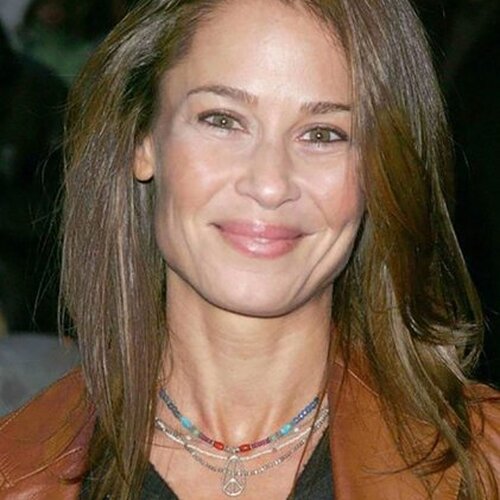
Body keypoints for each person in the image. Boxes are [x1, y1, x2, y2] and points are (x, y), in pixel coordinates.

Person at [0, 0, 499, 498]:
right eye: (223, 120)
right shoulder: (18, 473)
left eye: (323, 134)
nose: (269, 184)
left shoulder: (485, 465)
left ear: (381, 168)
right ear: (143, 138)